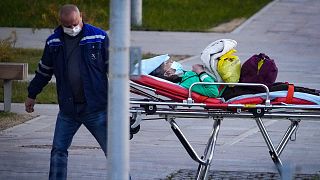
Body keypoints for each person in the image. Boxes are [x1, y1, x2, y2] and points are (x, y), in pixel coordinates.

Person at [24, 4, 109, 180]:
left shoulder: (98, 37)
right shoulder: (53, 42)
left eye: (75, 23)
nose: (72, 28)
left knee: (114, 152)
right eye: (67, 25)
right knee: (58, 150)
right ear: (61, 23)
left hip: (95, 108)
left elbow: (114, 68)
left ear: (81, 17)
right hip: (68, 110)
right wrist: (32, 94)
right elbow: (44, 71)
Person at [149, 59, 320, 100]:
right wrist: (202, 72)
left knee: (278, 86)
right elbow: (212, 91)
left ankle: (315, 94)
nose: (174, 63)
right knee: (278, 90)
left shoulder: (186, 75)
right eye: (170, 65)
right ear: (168, 75)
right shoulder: (187, 83)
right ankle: (316, 97)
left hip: (232, 87)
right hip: (232, 93)